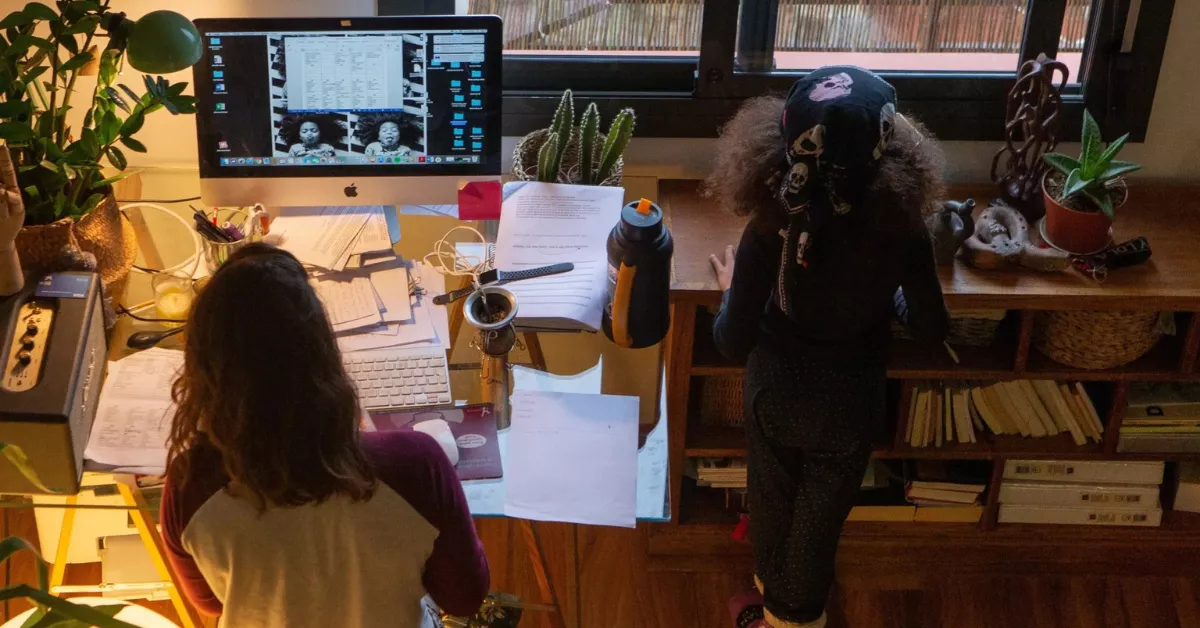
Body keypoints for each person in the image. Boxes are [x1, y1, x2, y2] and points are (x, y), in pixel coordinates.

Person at [705, 66, 949, 628]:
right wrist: (892, 303)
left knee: (771, 500)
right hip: (851, 399)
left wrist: (730, 292)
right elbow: (932, 327)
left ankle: (779, 609)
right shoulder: (905, 227)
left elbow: (730, 341)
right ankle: (791, 611)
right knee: (819, 520)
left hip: (776, 389)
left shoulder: (771, 221)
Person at [161, 244, 489, 628]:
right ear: (323, 354)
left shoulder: (189, 486)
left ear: (205, 371)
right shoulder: (415, 464)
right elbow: (465, 597)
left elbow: (212, 604)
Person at [356, 113, 421, 158]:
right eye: (384, 130)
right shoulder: (372, 147)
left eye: (394, 130)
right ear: (378, 136)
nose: (389, 132)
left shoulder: (405, 150)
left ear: (400, 135)